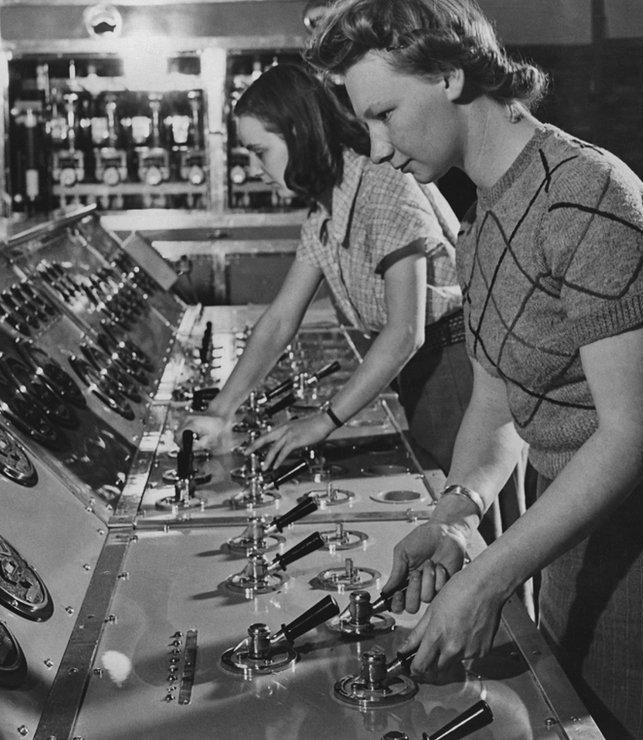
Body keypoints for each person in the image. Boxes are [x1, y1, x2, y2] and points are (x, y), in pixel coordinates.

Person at [307, 1, 643, 737]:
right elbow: (496, 402)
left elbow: (630, 433)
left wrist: (487, 577)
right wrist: (456, 513)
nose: (380, 149)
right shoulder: (483, 226)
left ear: (449, 74)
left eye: (385, 114)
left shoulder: (584, 193)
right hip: (566, 538)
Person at [177, 63, 471, 474]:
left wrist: (323, 421)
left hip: (456, 371)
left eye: (260, 151)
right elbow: (281, 319)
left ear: (299, 133)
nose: (259, 170)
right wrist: (221, 411)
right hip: (422, 375)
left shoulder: (382, 185)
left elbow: (406, 332)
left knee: (470, 520)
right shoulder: (325, 208)